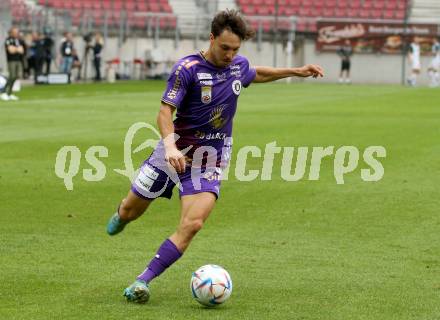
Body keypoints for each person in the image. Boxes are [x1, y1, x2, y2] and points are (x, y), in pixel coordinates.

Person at [105, 9, 324, 303]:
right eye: (225, 48)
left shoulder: (237, 65)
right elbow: (164, 111)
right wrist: (169, 146)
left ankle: (143, 281)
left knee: (192, 224)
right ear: (211, 38)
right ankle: (121, 214)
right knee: (131, 211)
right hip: (173, 152)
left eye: (235, 49)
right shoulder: (187, 69)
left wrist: (295, 71)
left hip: (211, 158)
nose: (230, 55)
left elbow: (254, 72)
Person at [1, 27, 24, 101]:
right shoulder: (8, 40)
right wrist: (17, 49)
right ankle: (3, 92)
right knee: (12, 76)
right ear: (11, 32)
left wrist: (16, 49)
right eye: (16, 32)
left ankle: (9, 93)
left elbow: (22, 50)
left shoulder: (18, 40)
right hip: (11, 61)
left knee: (15, 77)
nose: (17, 33)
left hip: (18, 60)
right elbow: (10, 50)